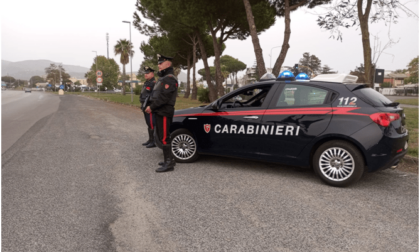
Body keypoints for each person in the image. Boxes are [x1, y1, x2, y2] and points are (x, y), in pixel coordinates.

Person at [145, 54, 178, 172]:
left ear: (168, 64)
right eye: (158, 63)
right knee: (161, 135)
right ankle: (169, 160)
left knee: (164, 137)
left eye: (161, 63)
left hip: (164, 111)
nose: (158, 65)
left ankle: (169, 163)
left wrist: (151, 107)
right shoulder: (164, 78)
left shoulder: (169, 78)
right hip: (160, 111)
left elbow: (164, 98)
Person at [140, 66, 156, 148]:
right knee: (148, 124)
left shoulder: (154, 83)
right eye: (145, 73)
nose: (145, 75)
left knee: (151, 124)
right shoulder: (147, 83)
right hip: (144, 106)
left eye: (148, 73)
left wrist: (150, 106)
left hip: (149, 107)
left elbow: (154, 96)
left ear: (152, 74)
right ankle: (150, 139)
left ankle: (153, 141)